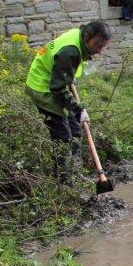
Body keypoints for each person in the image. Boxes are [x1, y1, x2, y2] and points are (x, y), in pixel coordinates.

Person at [24, 21, 112, 182]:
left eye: (103, 46)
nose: (99, 51)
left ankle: (73, 173)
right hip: (42, 89)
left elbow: (63, 77)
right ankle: (63, 182)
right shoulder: (70, 51)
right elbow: (57, 89)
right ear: (87, 36)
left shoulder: (79, 35)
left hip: (55, 83)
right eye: (97, 45)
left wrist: (76, 110)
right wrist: (79, 110)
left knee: (76, 131)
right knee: (63, 138)